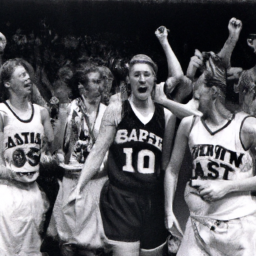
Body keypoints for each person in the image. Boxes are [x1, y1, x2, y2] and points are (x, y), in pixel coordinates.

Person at [74, 54, 199, 256]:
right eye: (136, 75)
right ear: (129, 80)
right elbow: (98, 151)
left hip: (153, 199)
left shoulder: (166, 115)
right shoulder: (116, 110)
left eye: (147, 75)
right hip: (121, 198)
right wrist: (80, 185)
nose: (142, 79)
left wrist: (165, 101)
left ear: (154, 80)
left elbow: (166, 163)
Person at [164, 50, 256, 255]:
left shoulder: (247, 127)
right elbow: (172, 170)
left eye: (198, 98)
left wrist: (227, 186)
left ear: (214, 92)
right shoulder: (189, 125)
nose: (193, 104)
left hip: (239, 228)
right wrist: (168, 211)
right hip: (198, 225)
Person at [47, 63, 109, 256]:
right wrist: (58, 155)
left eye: (102, 82)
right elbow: (57, 146)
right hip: (72, 179)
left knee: (93, 246)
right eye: (96, 81)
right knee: (67, 241)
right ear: (82, 87)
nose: (101, 86)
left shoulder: (109, 111)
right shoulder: (68, 110)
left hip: (97, 182)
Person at [0, 58, 53, 255]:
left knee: (31, 251)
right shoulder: (2, 112)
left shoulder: (41, 113)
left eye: (27, 74)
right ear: (7, 83)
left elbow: (53, 147)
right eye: (21, 75)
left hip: (33, 191)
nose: (27, 78)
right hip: (7, 191)